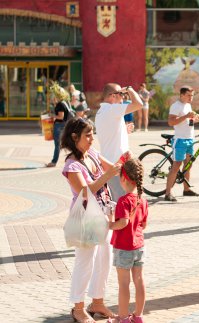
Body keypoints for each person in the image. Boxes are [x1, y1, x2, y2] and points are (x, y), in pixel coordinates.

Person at [61, 117, 122, 323]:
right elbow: (84, 193)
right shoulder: (72, 165)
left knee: (105, 258)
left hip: (104, 213)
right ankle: (78, 308)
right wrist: (107, 176)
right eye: (87, 135)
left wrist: (124, 163)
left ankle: (97, 302)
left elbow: (112, 167)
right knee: (85, 262)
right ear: (74, 137)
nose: (91, 138)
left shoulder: (92, 154)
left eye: (92, 133)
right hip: (86, 218)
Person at [109, 158, 148, 323]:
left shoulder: (123, 201)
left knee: (123, 283)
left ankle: (123, 318)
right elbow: (144, 224)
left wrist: (109, 225)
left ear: (123, 178)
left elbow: (123, 223)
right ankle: (137, 316)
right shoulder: (142, 200)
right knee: (139, 280)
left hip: (124, 247)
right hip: (139, 247)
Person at [95, 83, 143, 202]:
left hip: (110, 164)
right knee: (123, 203)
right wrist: (129, 89)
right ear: (112, 96)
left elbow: (109, 135)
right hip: (117, 166)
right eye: (121, 94)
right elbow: (139, 104)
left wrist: (123, 131)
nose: (124, 97)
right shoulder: (112, 109)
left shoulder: (101, 111)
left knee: (117, 203)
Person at [164, 85, 199, 202]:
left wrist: (195, 119)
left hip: (190, 139)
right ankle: (168, 193)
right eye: (188, 95)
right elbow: (171, 122)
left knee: (188, 165)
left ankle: (186, 190)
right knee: (176, 166)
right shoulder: (176, 106)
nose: (191, 97)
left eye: (192, 95)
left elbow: (187, 122)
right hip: (180, 140)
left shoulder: (188, 105)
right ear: (181, 95)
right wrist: (186, 116)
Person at [47, 83, 72, 167]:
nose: (52, 97)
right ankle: (75, 157)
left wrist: (52, 116)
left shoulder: (60, 104)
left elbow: (61, 117)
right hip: (63, 125)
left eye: (53, 96)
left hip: (59, 126)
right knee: (65, 143)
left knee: (57, 145)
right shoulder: (63, 102)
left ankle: (54, 162)